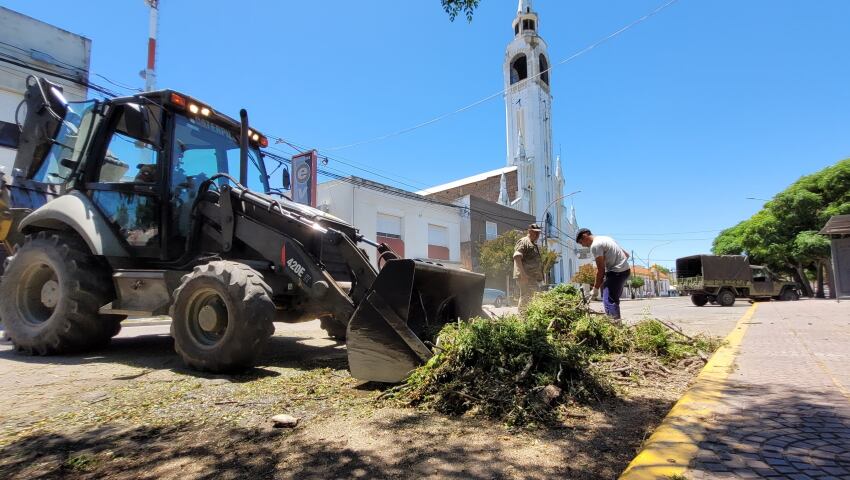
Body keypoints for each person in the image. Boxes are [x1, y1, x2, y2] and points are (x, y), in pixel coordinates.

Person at [576, 228, 630, 320]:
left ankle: (615, 327)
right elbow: (626, 255)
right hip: (625, 271)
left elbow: (601, 270)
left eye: (581, 243)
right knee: (613, 299)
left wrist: (595, 289)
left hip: (616, 273)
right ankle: (617, 324)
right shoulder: (607, 238)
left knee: (609, 300)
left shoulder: (595, 245)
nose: (584, 246)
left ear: (585, 236)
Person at [513, 223, 545, 310]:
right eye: (536, 233)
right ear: (530, 231)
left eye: (539, 233)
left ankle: (527, 318)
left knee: (532, 298)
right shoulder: (524, 241)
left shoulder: (533, 244)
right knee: (525, 297)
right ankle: (522, 319)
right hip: (526, 277)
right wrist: (523, 275)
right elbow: (517, 257)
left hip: (532, 278)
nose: (538, 235)